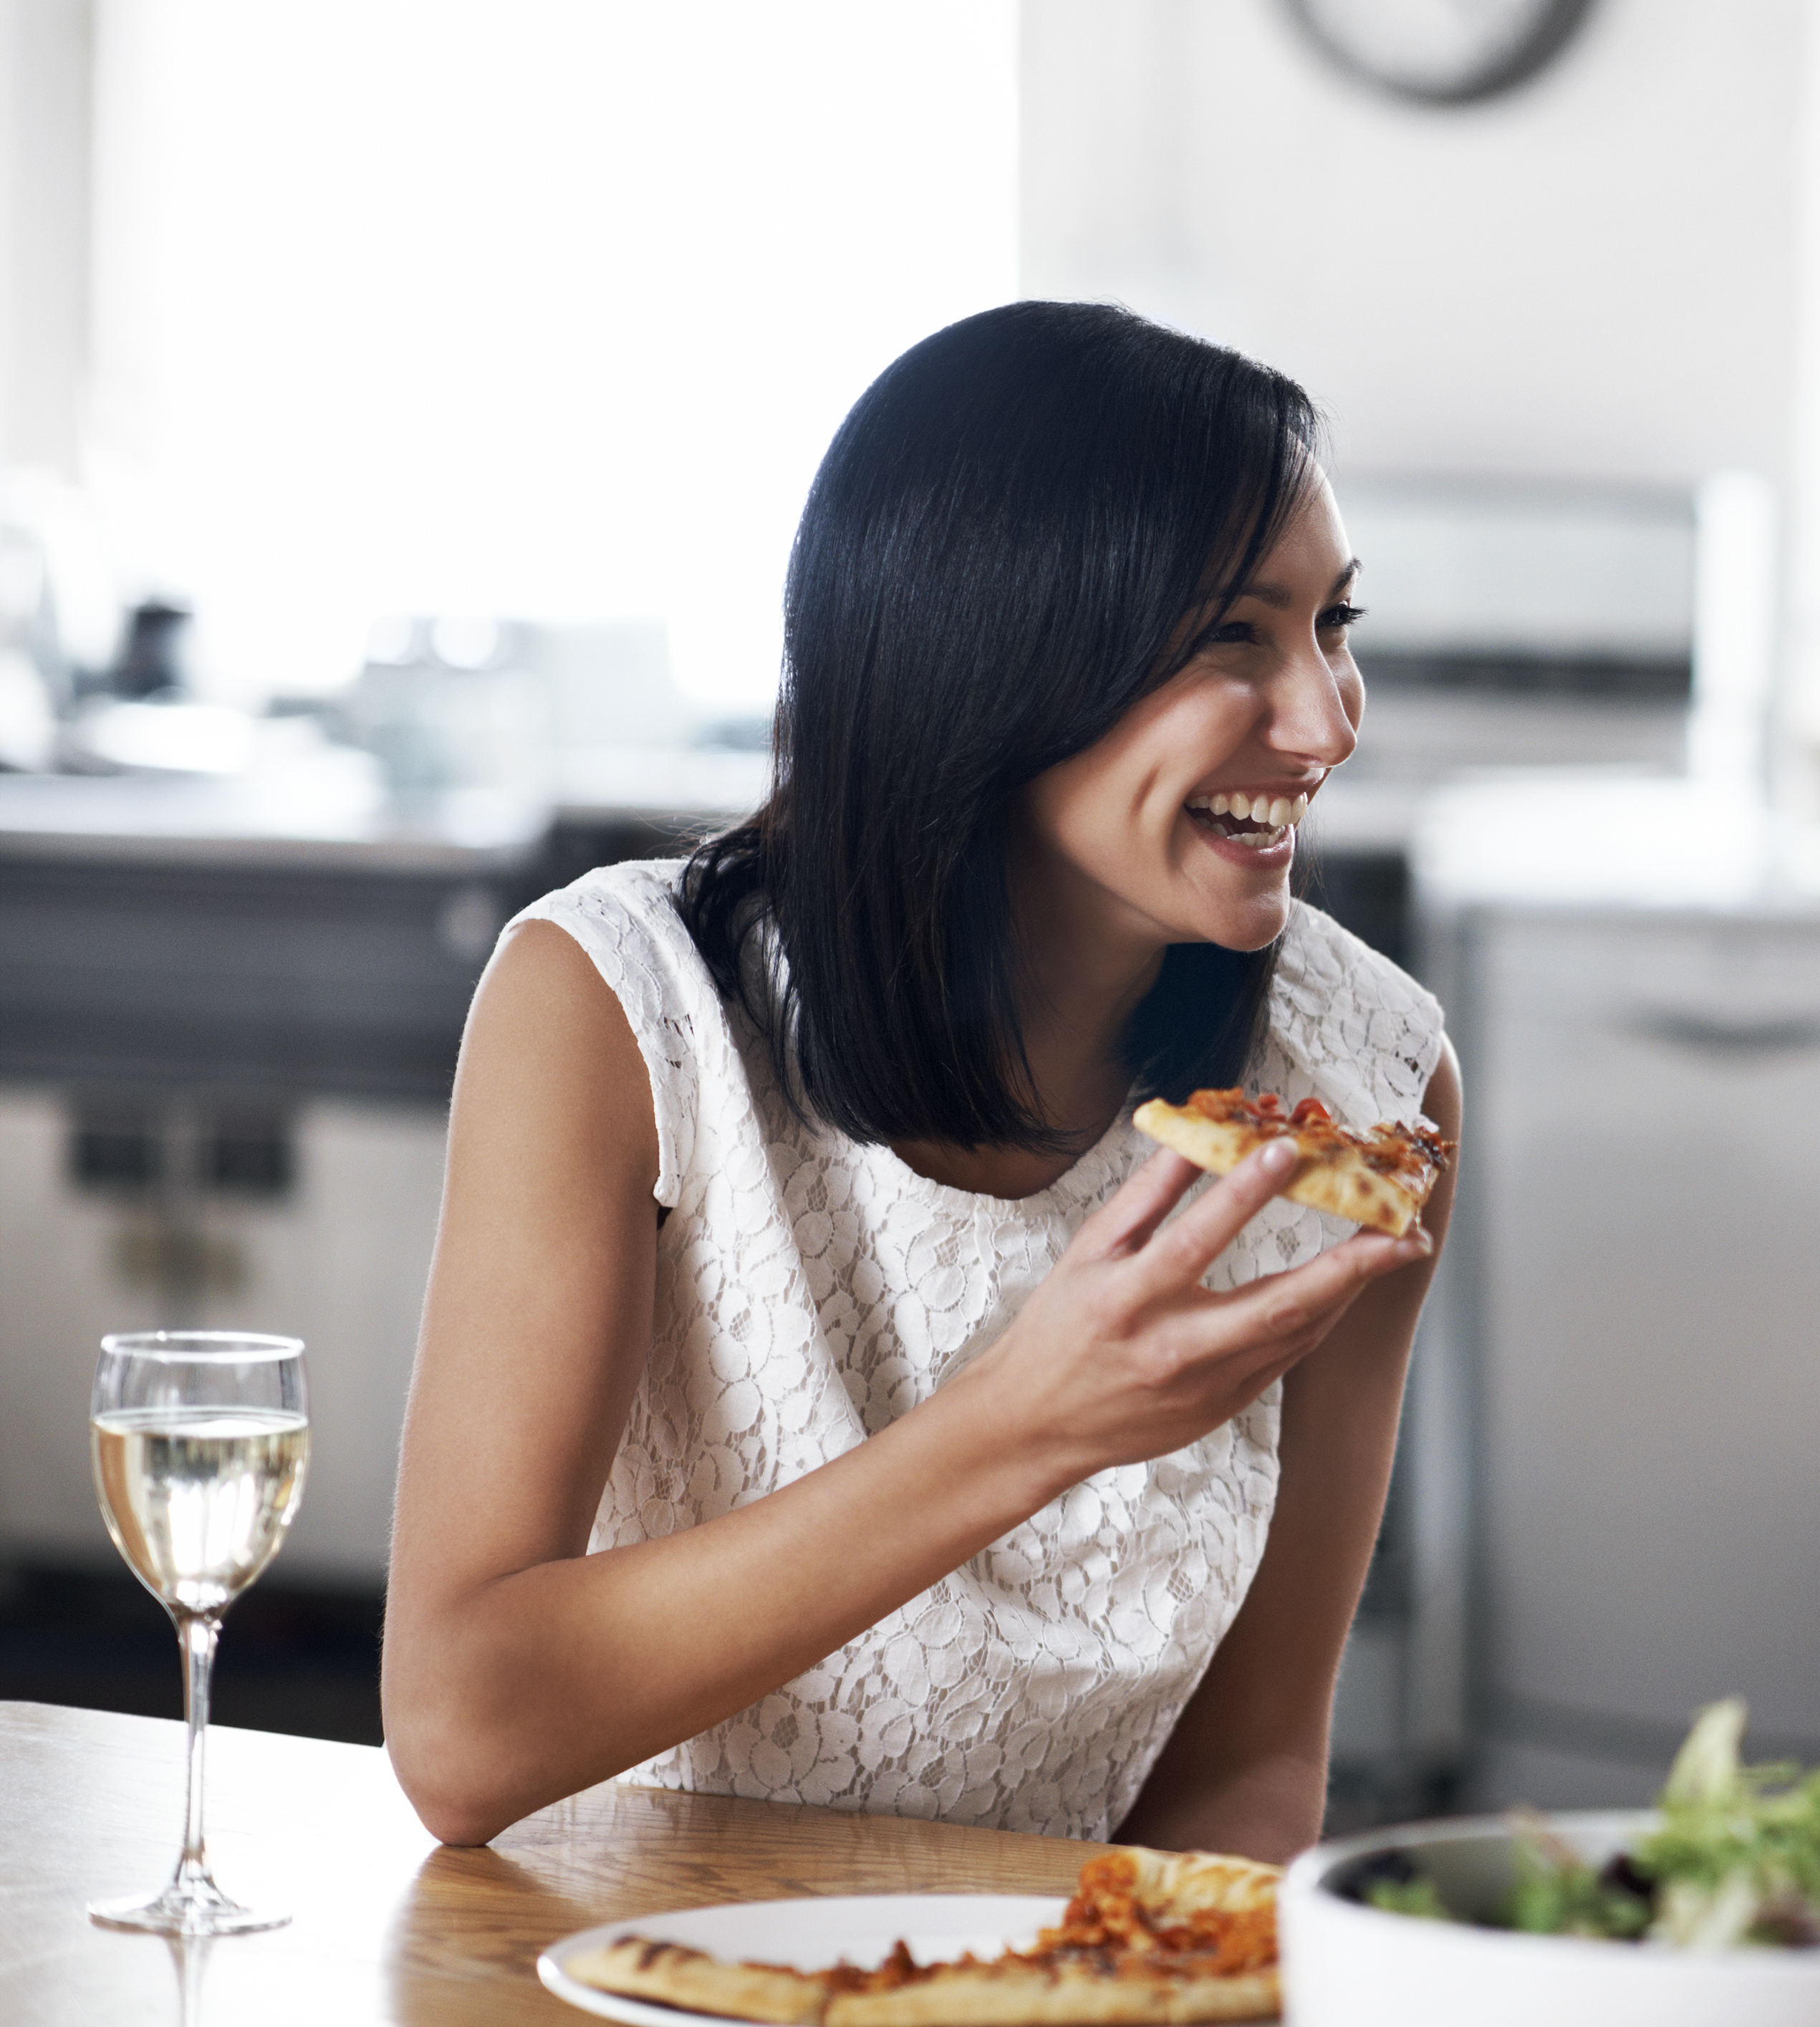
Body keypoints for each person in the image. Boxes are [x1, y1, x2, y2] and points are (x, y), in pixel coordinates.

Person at [382, 302, 1458, 1855]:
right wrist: (1020, 1428)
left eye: (1332, 625)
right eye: (1238, 634)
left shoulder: (1370, 1088)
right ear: (996, 660)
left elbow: (1247, 1775)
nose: (1326, 719)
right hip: (610, 1977)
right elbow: (460, 1734)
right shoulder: (621, 1010)